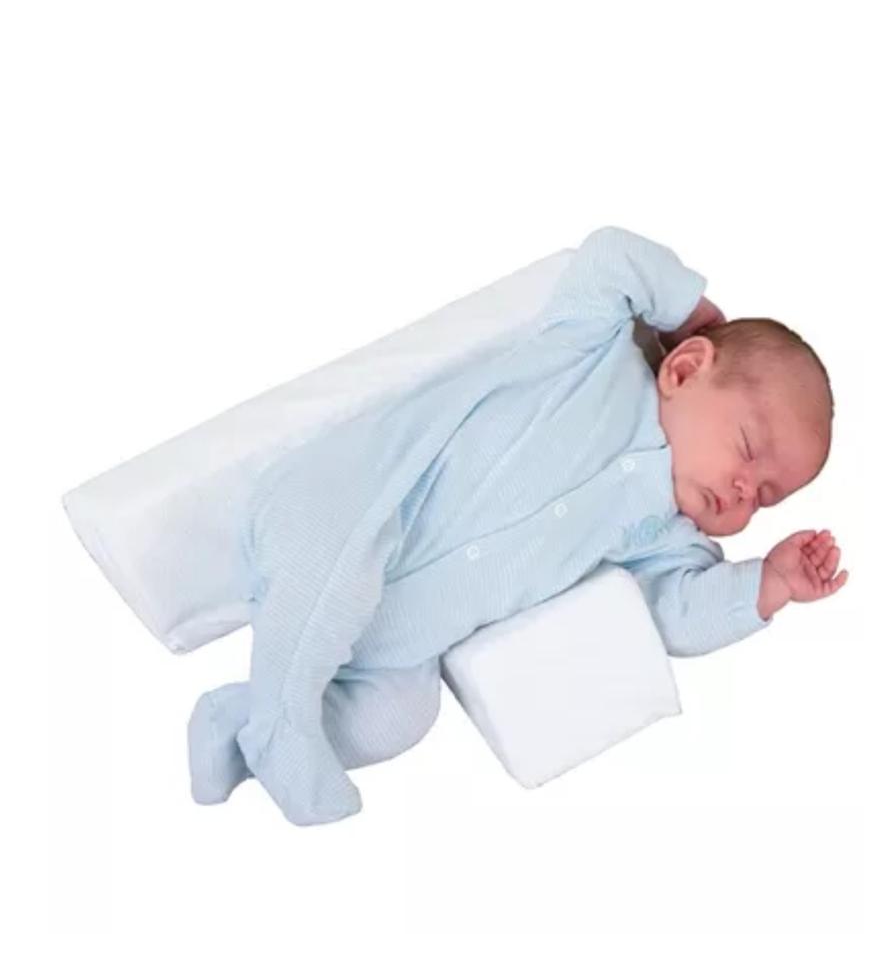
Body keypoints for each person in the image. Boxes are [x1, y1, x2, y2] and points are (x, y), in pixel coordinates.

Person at [187, 227, 847, 825]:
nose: (744, 490)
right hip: (357, 504)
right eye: (747, 450)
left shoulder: (663, 535)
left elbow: (676, 613)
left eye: (766, 497)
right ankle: (281, 728)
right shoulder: (591, 355)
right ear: (684, 367)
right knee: (335, 571)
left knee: (400, 719)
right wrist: (689, 309)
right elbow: (609, 258)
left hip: (398, 643)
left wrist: (767, 585)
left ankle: (238, 722)